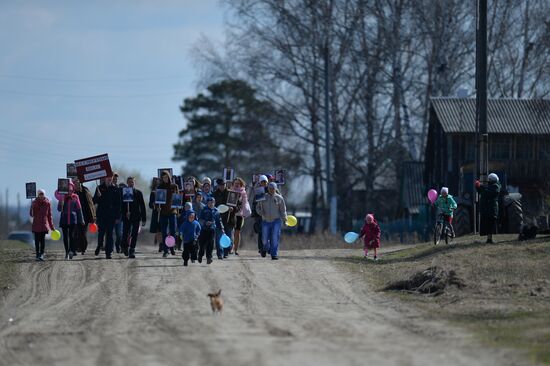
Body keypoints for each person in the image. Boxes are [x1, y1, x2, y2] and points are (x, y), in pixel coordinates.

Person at [256, 182, 287, 260]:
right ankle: (266, 248)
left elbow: (283, 210)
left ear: (275, 189)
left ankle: (274, 254)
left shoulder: (279, 198)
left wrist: (285, 219)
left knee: (275, 237)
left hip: (276, 220)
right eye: (270, 188)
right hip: (265, 221)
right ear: (268, 189)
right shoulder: (263, 197)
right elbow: (258, 208)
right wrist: (260, 211)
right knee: (264, 239)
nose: (271, 190)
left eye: (273, 188)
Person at [93, 175, 122, 259]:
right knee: (101, 233)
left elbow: (118, 204)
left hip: (111, 215)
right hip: (101, 215)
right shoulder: (99, 188)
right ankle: (99, 245)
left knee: (110, 234)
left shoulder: (115, 189)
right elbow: (94, 201)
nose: (110, 179)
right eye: (108, 177)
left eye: (111, 177)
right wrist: (97, 196)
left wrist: (117, 216)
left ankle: (108, 252)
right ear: (105, 178)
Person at [58, 181, 84, 260]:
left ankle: (71, 251)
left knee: (72, 236)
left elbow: (79, 209)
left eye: (71, 189)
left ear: (73, 189)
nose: (69, 191)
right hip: (64, 219)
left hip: (73, 220)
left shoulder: (76, 197)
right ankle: (67, 252)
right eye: (68, 189)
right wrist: (60, 203)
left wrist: (81, 219)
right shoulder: (62, 197)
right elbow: (59, 209)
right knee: (65, 237)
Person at [121, 177, 147, 258]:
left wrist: (144, 218)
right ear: (127, 183)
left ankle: (132, 249)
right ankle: (125, 247)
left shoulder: (138, 193)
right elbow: (121, 205)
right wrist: (125, 212)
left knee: (134, 233)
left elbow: (142, 206)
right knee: (125, 233)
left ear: (134, 183)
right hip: (127, 217)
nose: (130, 184)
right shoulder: (124, 193)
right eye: (129, 182)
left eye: (132, 182)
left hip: (136, 216)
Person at [475, 173, 501, 243]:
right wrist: (478, 187)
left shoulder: (496, 186)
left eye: (489, 179)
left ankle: (490, 239)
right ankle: (488, 239)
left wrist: (480, 186)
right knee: (487, 224)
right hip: (487, 209)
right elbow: (483, 191)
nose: (488, 180)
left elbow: (487, 192)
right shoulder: (491, 186)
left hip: (492, 208)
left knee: (491, 224)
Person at [30, 189, 55, 261]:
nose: (41, 196)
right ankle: (37, 254)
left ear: (44, 195)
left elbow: (49, 215)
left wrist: (51, 226)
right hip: (36, 225)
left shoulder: (47, 203)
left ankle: (42, 254)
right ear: (38, 195)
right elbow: (31, 214)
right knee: (37, 241)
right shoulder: (34, 203)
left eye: (42, 194)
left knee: (42, 240)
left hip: (44, 225)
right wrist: (32, 206)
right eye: (40, 194)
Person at [158, 170, 179, 258]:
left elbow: (177, 199)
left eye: (166, 177)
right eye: (163, 177)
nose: (165, 179)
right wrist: (157, 206)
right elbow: (157, 200)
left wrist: (177, 210)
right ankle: (166, 250)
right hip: (163, 212)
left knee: (173, 231)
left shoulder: (174, 186)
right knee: (164, 232)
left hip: (172, 212)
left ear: (169, 177)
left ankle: (172, 247)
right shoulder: (160, 187)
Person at [213, 178, 235, 259]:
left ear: (225, 184)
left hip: (229, 219)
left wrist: (233, 208)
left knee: (228, 236)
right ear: (218, 185)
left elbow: (237, 206)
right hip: (218, 219)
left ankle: (226, 252)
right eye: (220, 185)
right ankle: (220, 253)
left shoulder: (231, 194)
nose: (222, 186)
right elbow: (212, 205)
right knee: (218, 236)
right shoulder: (214, 194)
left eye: (223, 184)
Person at [198, 197, 223, 265]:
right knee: (202, 244)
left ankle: (209, 258)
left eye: (212, 202)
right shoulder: (204, 209)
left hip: (212, 230)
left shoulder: (216, 211)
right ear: (207, 203)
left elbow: (219, 220)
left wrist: (222, 227)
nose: (211, 204)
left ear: (214, 203)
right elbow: (200, 219)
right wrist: (205, 222)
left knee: (210, 244)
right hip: (204, 230)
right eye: (209, 203)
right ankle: (200, 255)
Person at [74, 178, 96, 255]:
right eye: (75, 183)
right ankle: (77, 247)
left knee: (83, 232)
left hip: (85, 215)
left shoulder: (85, 190)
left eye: (77, 182)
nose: (76, 184)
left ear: (80, 183)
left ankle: (83, 248)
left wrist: (93, 216)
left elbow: (91, 202)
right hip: (75, 216)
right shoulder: (72, 192)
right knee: (76, 232)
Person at [250, 175, 269, 253]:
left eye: (265, 182)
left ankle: (267, 246)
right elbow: (254, 203)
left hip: (269, 214)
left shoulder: (271, 189)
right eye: (262, 182)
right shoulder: (257, 191)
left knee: (268, 231)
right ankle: (261, 248)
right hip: (259, 215)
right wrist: (254, 214)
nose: (264, 183)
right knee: (261, 231)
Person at [232, 177, 251, 256]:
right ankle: (230, 248)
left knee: (237, 232)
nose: (236, 185)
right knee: (230, 231)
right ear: (233, 184)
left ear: (241, 184)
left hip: (239, 215)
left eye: (238, 184)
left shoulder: (243, 193)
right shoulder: (230, 191)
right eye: (235, 183)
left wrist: (246, 211)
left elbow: (245, 203)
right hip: (231, 214)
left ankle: (236, 249)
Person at [148, 177, 162, 252]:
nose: (158, 183)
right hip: (156, 212)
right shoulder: (153, 193)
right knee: (158, 229)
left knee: (163, 229)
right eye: (156, 182)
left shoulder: (164, 191)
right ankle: (161, 245)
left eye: (159, 181)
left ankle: (162, 242)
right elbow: (150, 204)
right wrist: (154, 205)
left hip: (163, 212)